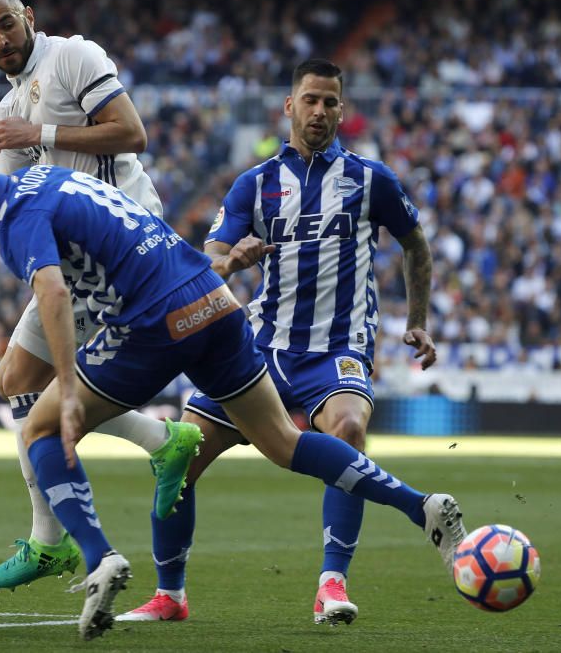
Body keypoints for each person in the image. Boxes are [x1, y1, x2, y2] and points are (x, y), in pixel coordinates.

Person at [0, 150, 466, 641]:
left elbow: (53, 291)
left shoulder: (19, 219)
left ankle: (99, 557)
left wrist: (67, 380)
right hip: (214, 297)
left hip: (155, 320)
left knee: (39, 424)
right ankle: (423, 507)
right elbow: (31, 232)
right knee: (283, 443)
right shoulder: (43, 181)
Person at [0, 0, 202, 590]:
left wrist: (45, 136)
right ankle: (156, 446)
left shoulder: (73, 57)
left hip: (124, 252)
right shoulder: (8, 113)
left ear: (27, 16)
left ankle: (58, 537)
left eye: (6, 24)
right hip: (74, 262)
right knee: (13, 380)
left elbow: (132, 133)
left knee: (33, 388)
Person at [118, 59, 439, 626]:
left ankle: (331, 585)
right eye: (310, 100)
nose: (320, 111)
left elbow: (416, 245)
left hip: (337, 346)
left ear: (343, 110)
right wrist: (232, 260)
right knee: (180, 458)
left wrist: (418, 319)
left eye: (331, 102)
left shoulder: (372, 180)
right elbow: (208, 258)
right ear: (289, 106)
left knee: (350, 427)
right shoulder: (256, 183)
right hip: (260, 348)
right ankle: (171, 595)